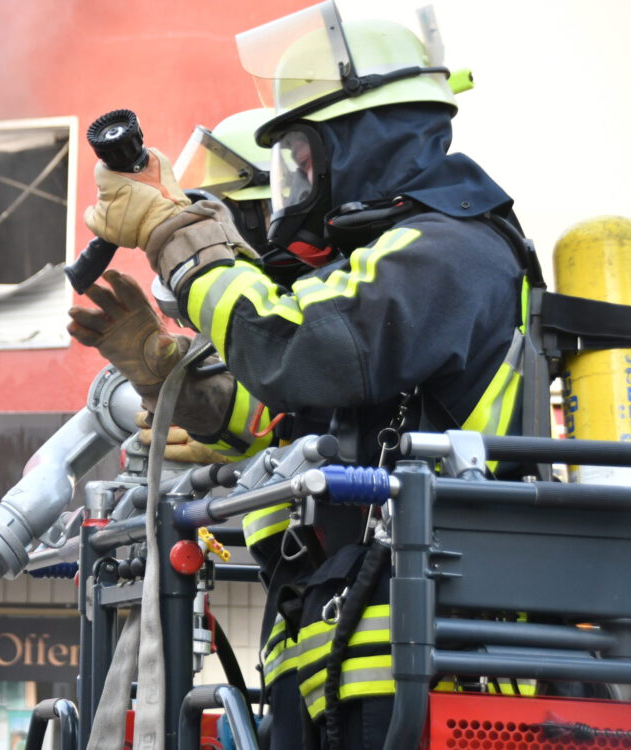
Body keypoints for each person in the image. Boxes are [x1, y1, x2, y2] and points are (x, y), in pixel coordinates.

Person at [71, 3, 535, 748]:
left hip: (428, 676)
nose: (296, 180)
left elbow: (299, 348)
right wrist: (176, 378)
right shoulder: (389, 264)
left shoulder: (447, 252)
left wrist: (173, 234)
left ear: (368, 141)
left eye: (305, 156)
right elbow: (291, 418)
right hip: (344, 668)